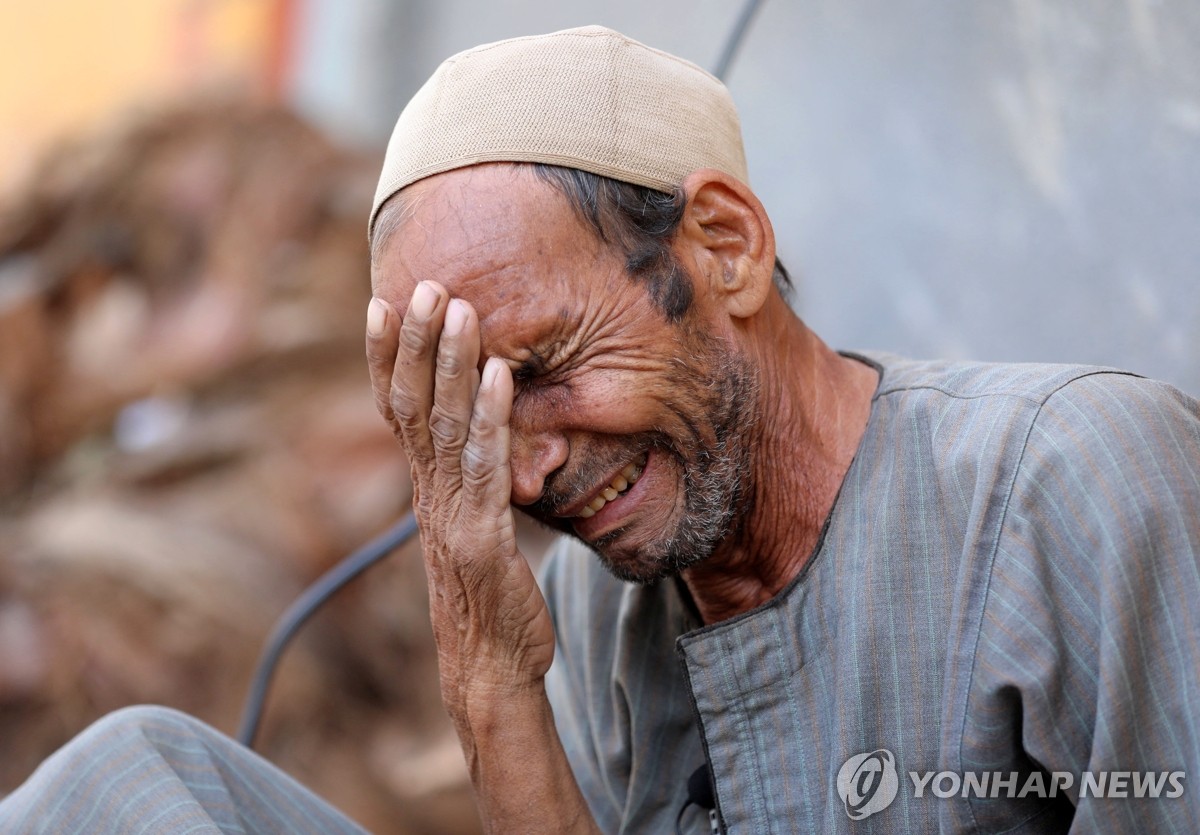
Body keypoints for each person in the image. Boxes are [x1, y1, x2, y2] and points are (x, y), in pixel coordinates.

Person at [2, 24, 1198, 835]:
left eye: (547, 366)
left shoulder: (1075, 482)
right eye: (472, 410)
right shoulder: (598, 597)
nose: (527, 469)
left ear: (725, 247)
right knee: (131, 783)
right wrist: (488, 681)